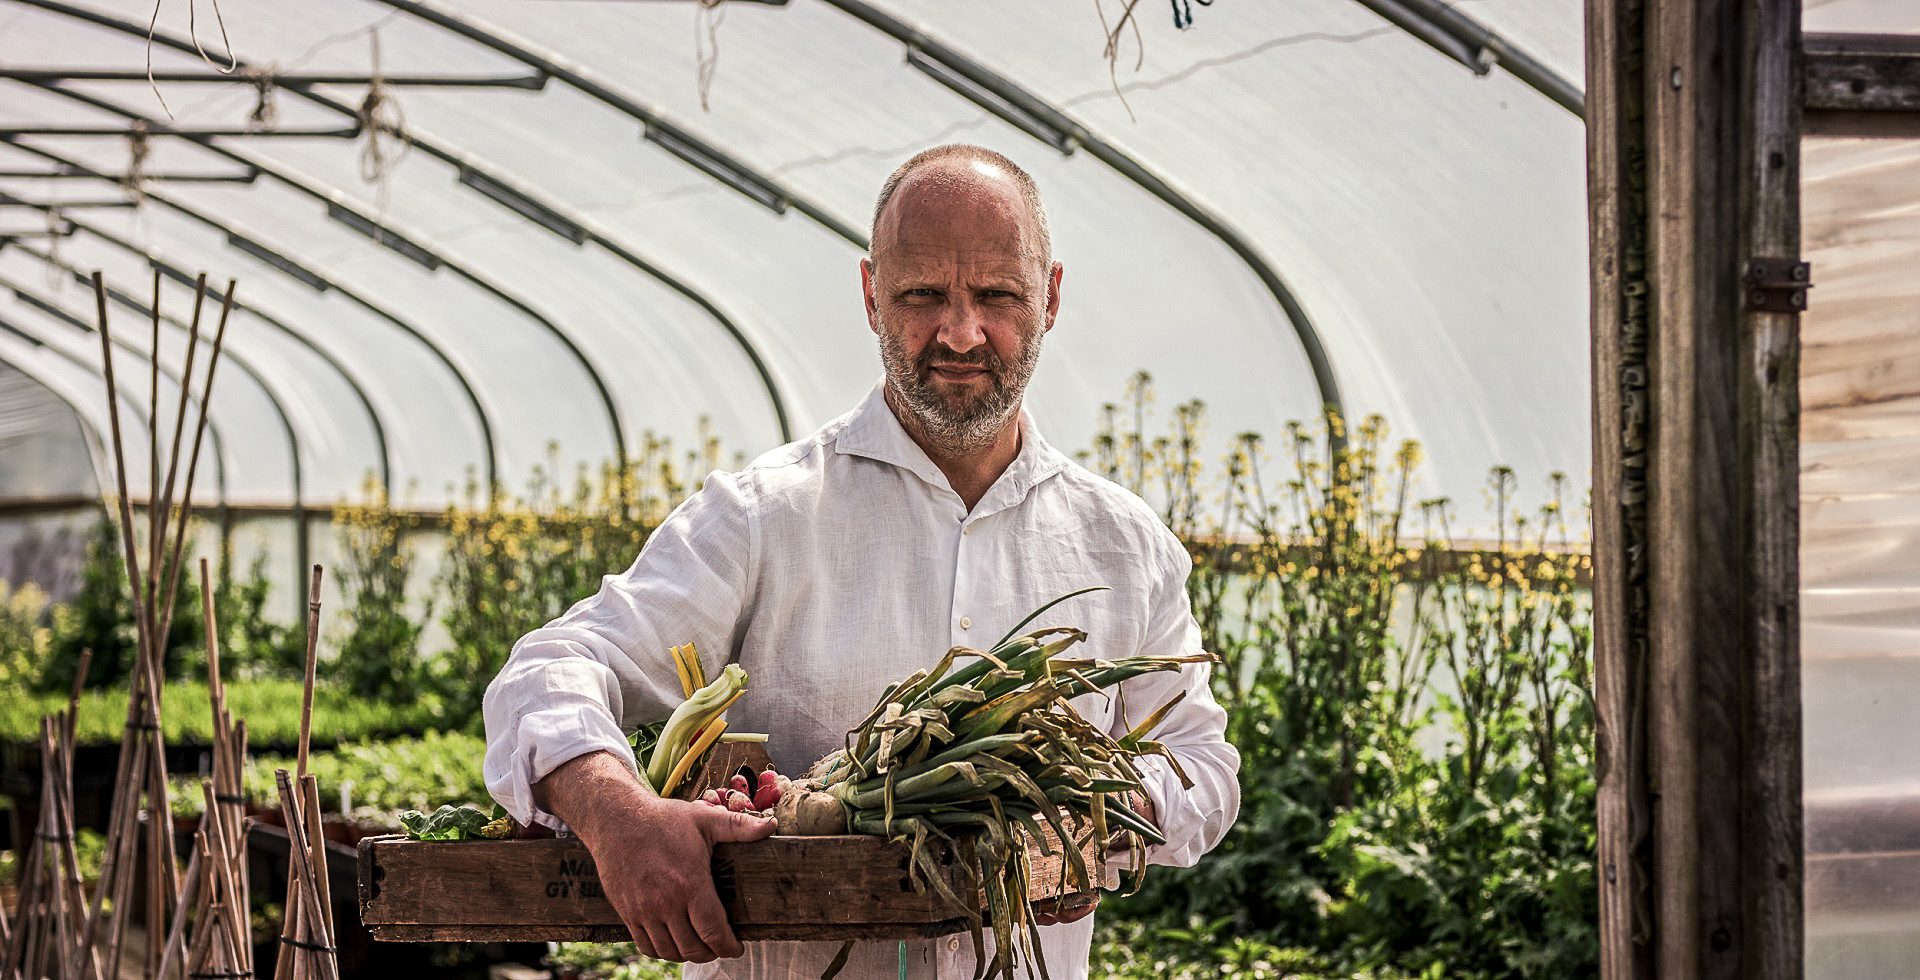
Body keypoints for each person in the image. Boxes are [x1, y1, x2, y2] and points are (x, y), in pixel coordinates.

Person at [483, 144, 1240, 980]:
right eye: (923, 295)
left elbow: (1202, 765)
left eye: (996, 295)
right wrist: (617, 813)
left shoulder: (1121, 545)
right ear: (872, 295)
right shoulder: (763, 517)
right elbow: (550, 669)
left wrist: (1104, 809)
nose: (961, 332)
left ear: (1051, 296)